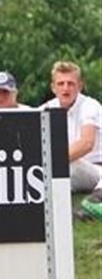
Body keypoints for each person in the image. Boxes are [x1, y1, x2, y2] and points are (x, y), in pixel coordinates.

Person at [39, 62, 102, 217]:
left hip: (96, 168)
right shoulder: (45, 109)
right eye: (61, 84)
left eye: (70, 84)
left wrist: (52, 161)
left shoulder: (90, 106)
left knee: (70, 165)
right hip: (69, 167)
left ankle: (94, 203)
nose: (65, 88)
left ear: (80, 86)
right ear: (53, 87)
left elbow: (86, 144)